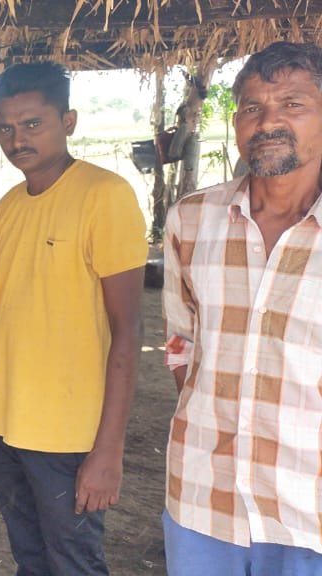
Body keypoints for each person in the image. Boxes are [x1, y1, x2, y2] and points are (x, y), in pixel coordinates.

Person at [0, 61, 147, 576]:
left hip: (69, 436)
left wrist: (108, 451)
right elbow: (3, 323)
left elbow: (128, 331)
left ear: (68, 121)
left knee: (73, 564)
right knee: (31, 559)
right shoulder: (8, 206)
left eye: (32, 124)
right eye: (5, 127)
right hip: (4, 427)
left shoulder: (104, 196)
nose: (17, 139)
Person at [163, 41, 322, 574]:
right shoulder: (191, 219)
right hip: (202, 501)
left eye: (293, 104)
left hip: (310, 514)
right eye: (252, 107)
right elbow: (181, 345)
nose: (268, 121)